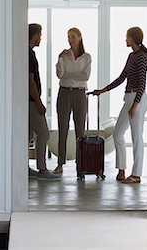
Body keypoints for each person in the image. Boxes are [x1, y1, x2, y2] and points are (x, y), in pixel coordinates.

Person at [93, 27, 147, 184]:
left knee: (137, 137)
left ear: (132, 38)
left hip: (137, 100)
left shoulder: (143, 57)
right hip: (128, 99)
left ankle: (136, 175)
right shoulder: (131, 56)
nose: (125, 40)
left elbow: (142, 84)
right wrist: (102, 90)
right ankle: (122, 170)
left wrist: (134, 106)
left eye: (127, 37)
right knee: (118, 134)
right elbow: (121, 78)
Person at [53, 28, 92, 174]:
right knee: (62, 128)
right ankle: (60, 164)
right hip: (64, 93)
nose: (70, 39)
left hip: (80, 94)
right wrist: (59, 58)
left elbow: (85, 77)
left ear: (80, 37)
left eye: (73, 37)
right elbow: (59, 74)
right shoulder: (64, 55)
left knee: (80, 131)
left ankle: (80, 164)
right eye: (68, 37)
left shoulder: (87, 57)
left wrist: (68, 75)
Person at [28, 23, 60, 180]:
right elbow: (30, 80)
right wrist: (39, 102)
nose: (40, 38)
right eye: (40, 35)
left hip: (25, 101)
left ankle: (24, 167)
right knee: (43, 133)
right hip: (31, 102)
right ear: (34, 35)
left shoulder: (26, 53)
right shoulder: (29, 54)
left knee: (26, 135)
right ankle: (42, 169)